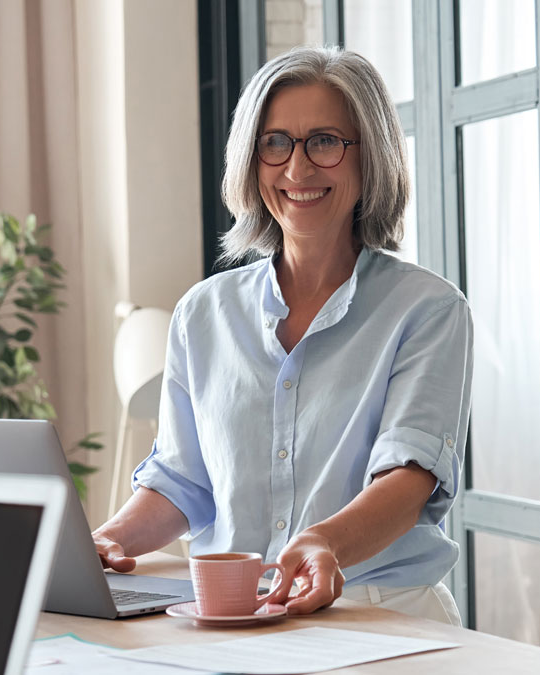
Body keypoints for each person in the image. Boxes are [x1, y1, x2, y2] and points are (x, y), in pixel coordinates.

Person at [92, 46, 472, 624]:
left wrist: (326, 542)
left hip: (379, 613)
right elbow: (183, 478)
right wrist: (106, 540)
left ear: (370, 157)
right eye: (275, 143)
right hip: (233, 616)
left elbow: (409, 477)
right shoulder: (202, 313)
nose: (297, 170)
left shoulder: (427, 309)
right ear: (251, 158)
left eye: (325, 141)